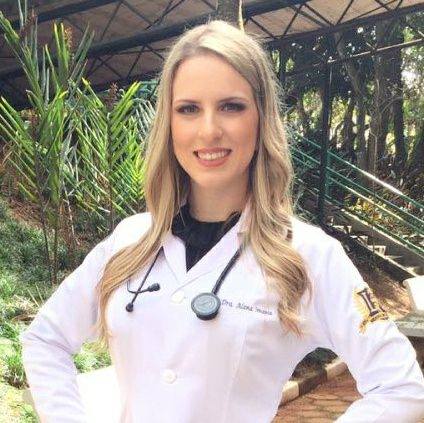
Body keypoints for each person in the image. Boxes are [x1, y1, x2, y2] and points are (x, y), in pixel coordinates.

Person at [21, 20, 424, 423]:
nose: (209, 130)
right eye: (188, 109)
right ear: (169, 123)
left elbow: (402, 388)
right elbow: (45, 339)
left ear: (261, 118)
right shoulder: (130, 240)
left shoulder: (306, 255)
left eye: (231, 106)